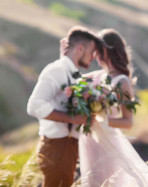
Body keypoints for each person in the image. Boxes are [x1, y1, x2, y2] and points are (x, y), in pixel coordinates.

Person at [62, 28, 148, 187]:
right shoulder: (98, 75)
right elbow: (72, 81)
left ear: (106, 51)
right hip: (89, 140)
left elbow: (128, 122)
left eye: (97, 51)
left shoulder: (122, 82)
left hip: (108, 142)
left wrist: (103, 119)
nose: (94, 56)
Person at [27, 26, 103, 187]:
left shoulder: (72, 73)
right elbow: (34, 106)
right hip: (56, 146)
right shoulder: (56, 71)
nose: (94, 57)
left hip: (67, 146)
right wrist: (73, 118)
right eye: (92, 51)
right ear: (80, 49)